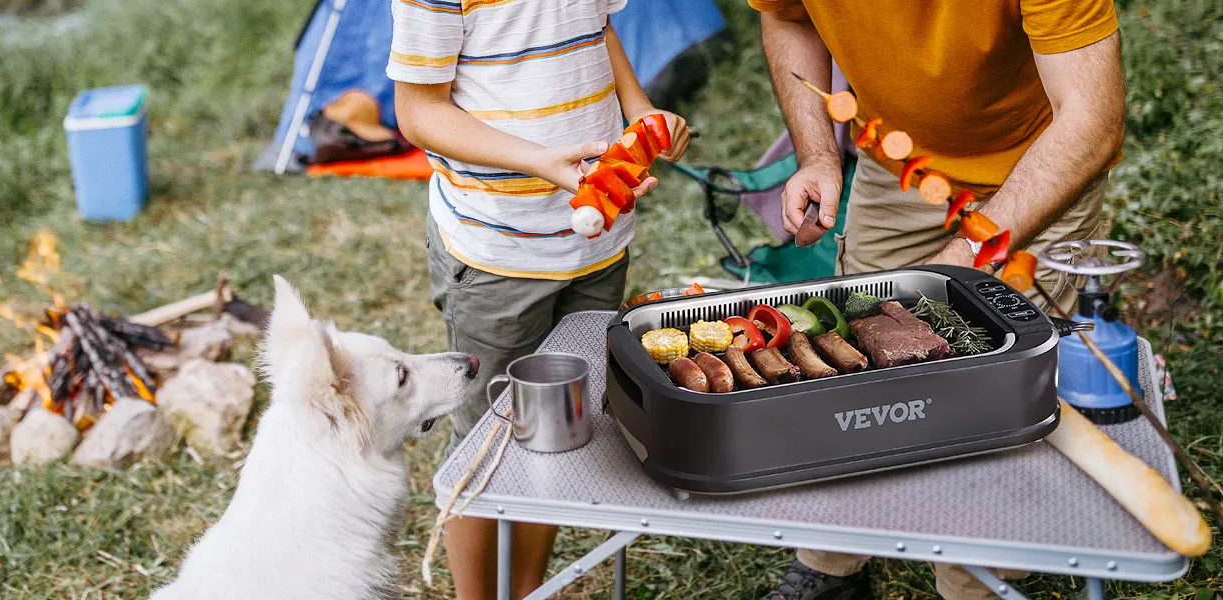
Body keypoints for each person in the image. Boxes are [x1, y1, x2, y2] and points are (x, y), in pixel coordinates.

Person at [750, 0, 1125, 598]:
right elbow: (788, 17)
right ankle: (834, 561)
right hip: (897, 169)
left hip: (1035, 169)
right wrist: (820, 155)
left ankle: (977, 584)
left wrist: (964, 257)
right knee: (847, 364)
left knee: (991, 393)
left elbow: (1092, 121)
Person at [386, 1, 691, 598]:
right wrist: (536, 162)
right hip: (497, 252)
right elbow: (419, 111)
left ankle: (524, 592)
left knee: (555, 427)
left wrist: (640, 113)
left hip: (597, 240)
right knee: (488, 443)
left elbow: (595, 27)